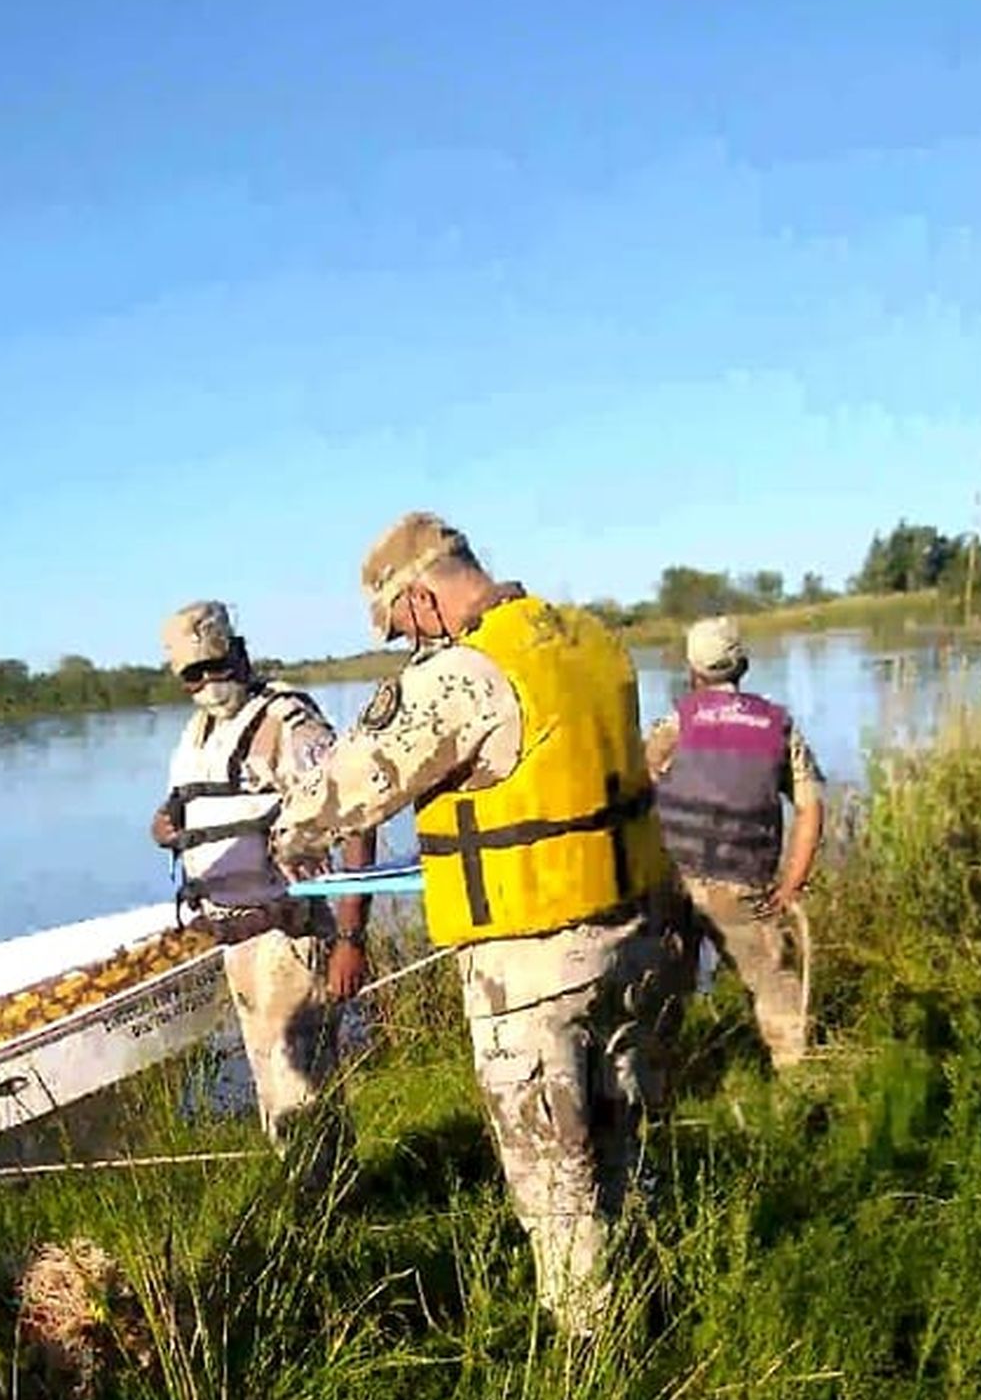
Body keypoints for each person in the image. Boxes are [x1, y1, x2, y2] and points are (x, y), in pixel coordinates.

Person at [267, 514, 679, 1334]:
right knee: (628, 1151)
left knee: (557, 1184)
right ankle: (659, 1305)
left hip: (530, 967)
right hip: (633, 938)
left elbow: (348, 787)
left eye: (399, 626)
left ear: (420, 597)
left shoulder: (461, 673)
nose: (403, 643)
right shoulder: (590, 638)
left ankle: (593, 1370)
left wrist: (286, 838)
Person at [151, 601, 376, 1183]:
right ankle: (309, 1206)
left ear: (240, 652)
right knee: (273, 1094)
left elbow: (356, 817)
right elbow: (189, 803)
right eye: (192, 674)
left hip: (289, 933)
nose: (206, 683)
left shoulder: (289, 721)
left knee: (303, 1086)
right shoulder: (200, 731)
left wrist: (352, 934)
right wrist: (167, 826)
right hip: (235, 941)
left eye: (215, 665)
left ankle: (334, 1209)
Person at [643, 615, 826, 1071]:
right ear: (742, 667)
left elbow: (638, 788)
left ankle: (654, 1089)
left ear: (693, 671)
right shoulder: (778, 727)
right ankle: (796, 1083)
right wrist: (792, 884)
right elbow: (810, 810)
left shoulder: (675, 722)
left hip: (676, 882)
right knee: (772, 986)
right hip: (744, 885)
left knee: (663, 988)